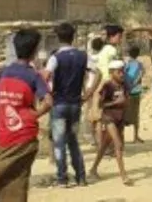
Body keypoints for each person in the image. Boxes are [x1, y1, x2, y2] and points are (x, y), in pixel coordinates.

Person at [0, 29, 53, 202]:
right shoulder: (33, 76)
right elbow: (48, 101)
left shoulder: (4, 72)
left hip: (5, 133)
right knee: (17, 180)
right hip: (25, 135)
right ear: (34, 52)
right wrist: (34, 115)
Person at [42, 22, 93, 188]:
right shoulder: (82, 55)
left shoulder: (55, 57)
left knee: (59, 143)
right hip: (76, 104)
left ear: (58, 37)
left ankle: (62, 178)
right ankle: (81, 177)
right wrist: (89, 92)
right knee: (73, 141)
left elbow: (46, 75)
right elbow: (97, 72)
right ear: (73, 37)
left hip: (59, 104)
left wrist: (47, 94)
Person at [89, 59, 132, 185]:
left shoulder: (124, 85)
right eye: (119, 72)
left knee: (104, 145)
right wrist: (115, 102)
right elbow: (101, 104)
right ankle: (123, 175)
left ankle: (93, 169)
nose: (122, 74)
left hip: (120, 118)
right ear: (111, 72)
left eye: (122, 71)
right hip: (108, 118)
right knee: (118, 144)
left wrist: (125, 103)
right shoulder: (107, 86)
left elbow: (127, 100)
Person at [123, 45, 145, 143]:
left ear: (128, 54)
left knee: (125, 113)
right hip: (137, 91)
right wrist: (135, 83)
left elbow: (123, 76)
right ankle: (135, 136)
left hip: (128, 91)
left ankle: (122, 137)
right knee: (136, 113)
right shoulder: (139, 64)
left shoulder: (127, 64)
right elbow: (141, 75)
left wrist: (129, 86)